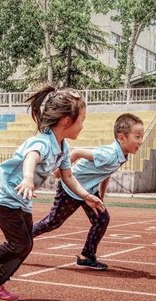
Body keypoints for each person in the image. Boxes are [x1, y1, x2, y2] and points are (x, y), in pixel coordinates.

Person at [0, 85, 105, 301]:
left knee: (25, 244)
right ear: (67, 121)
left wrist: (85, 195)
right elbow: (31, 157)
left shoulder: (63, 148)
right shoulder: (42, 142)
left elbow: (68, 177)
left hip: (21, 201)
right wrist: (27, 178)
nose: (83, 126)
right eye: (82, 119)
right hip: (6, 197)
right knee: (19, 244)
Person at [31, 113, 145, 270]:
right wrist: (58, 172)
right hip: (71, 188)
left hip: (89, 190)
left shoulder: (122, 155)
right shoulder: (110, 154)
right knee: (53, 222)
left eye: (142, 136)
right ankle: (21, 238)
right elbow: (77, 152)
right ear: (122, 138)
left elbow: (105, 173)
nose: (141, 141)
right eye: (137, 137)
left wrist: (101, 196)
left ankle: (87, 256)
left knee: (102, 219)